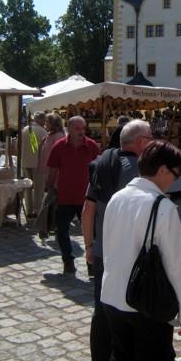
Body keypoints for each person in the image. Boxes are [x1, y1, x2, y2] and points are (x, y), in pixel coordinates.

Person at [100, 140, 181, 361]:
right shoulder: (163, 207)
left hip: (112, 296)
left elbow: (109, 248)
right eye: (175, 174)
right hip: (147, 303)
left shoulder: (117, 198)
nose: (174, 180)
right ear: (162, 170)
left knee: (120, 360)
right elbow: (176, 266)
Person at [82, 120, 153, 361]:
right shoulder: (139, 172)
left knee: (101, 312)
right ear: (140, 142)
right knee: (132, 312)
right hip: (127, 255)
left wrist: (89, 246)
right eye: (151, 137)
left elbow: (87, 209)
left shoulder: (103, 164)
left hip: (102, 253)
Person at [46, 116, 100, 274]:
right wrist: (49, 188)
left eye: (83, 128)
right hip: (65, 196)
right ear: (68, 128)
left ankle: (92, 264)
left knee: (92, 233)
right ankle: (68, 260)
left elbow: (99, 169)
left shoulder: (91, 146)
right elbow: (53, 170)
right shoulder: (59, 146)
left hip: (87, 198)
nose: (81, 132)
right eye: (77, 128)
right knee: (61, 230)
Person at [21, 111, 47, 217]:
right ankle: (37, 210)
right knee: (38, 188)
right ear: (40, 119)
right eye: (44, 120)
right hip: (38, 164)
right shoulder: (43, 131)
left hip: (26, 162)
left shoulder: (25, 129)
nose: (45, 122)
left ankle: (29, 210)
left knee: (27, 188)